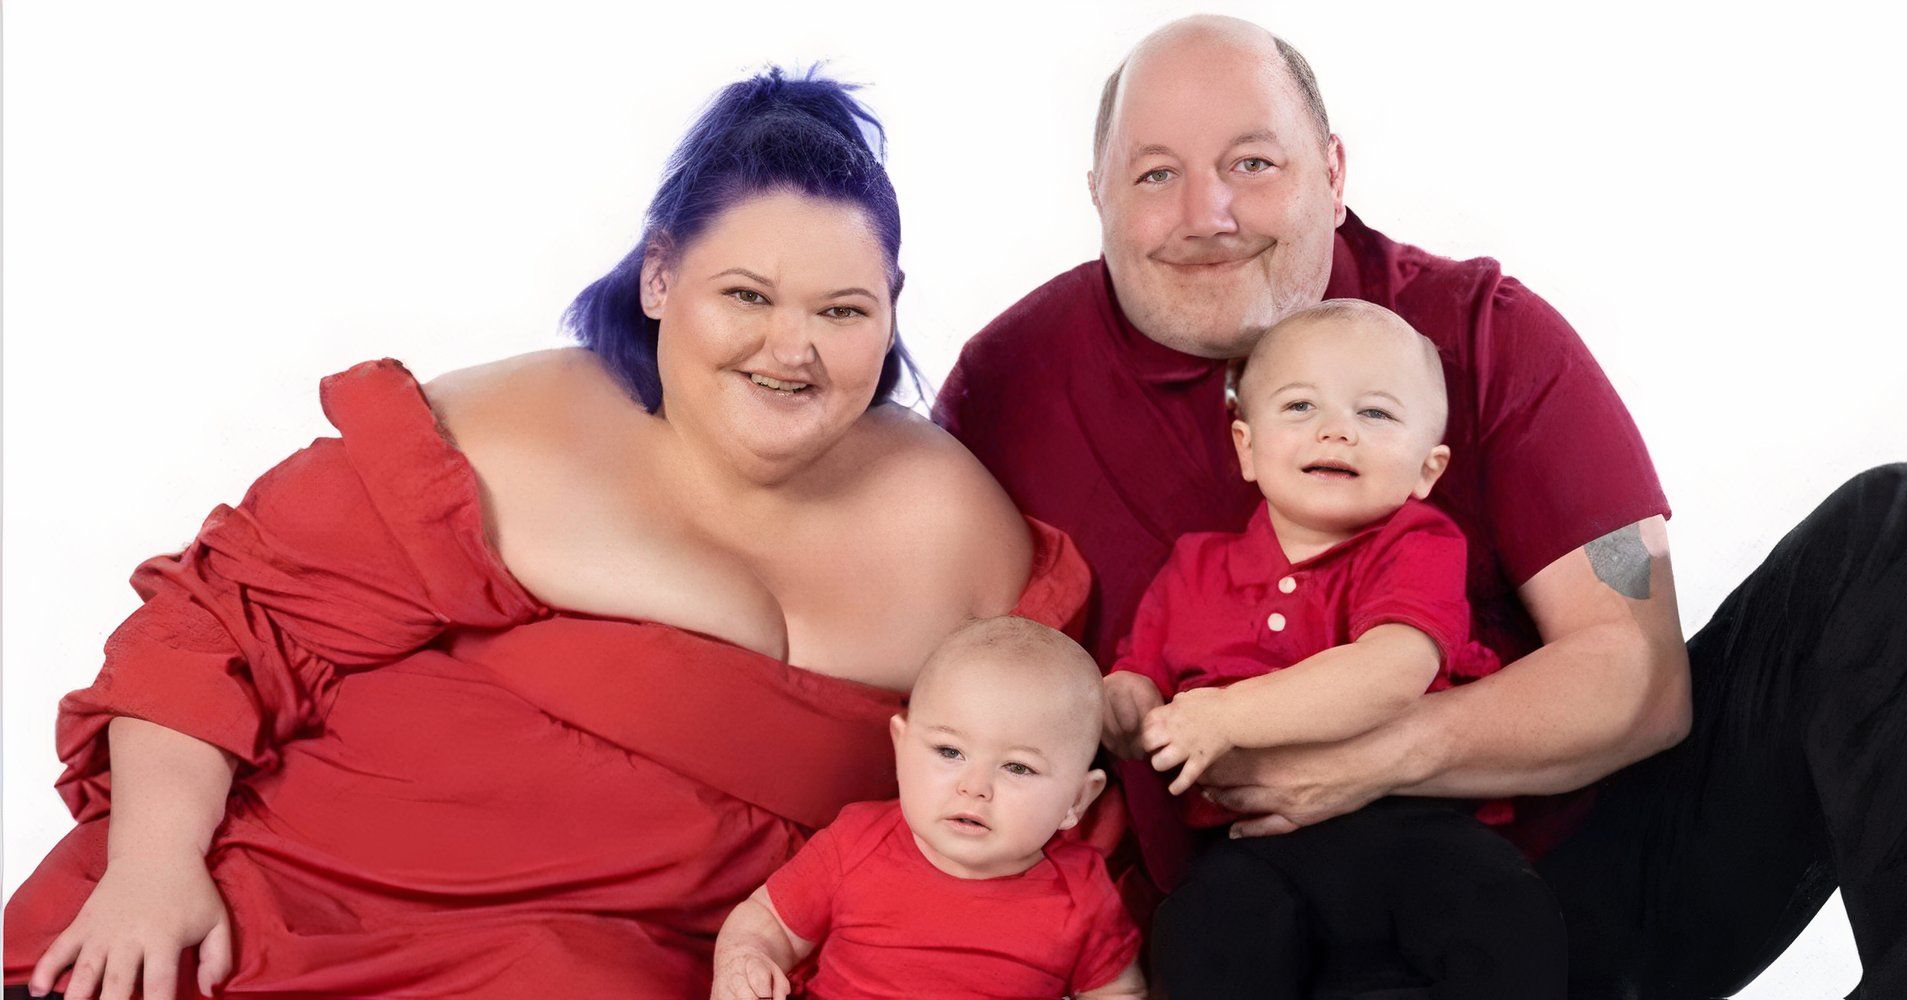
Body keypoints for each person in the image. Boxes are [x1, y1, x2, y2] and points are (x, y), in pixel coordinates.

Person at [934, 14, 1907, 998]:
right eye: (1154, 173)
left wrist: (1372, 755)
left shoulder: (1481, 332)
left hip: (1574, 879)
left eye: (1250, 164)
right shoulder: (1008, 385)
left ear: (1333, 172)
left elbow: (1638, 677)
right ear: (1096, 194)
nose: (1204, 213)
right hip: (1265, 933)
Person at [4, 69, 1093, 1000]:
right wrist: (152, 865)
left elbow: (1044, 805)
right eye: (746, 294)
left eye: (842, 311)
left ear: (894, 305)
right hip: (306, 904)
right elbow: (213, 630)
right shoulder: (489, 438)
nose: (790, 348)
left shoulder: (974, 545)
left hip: (627, 968)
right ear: (660, 276)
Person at [1101, 300, 1563, 998]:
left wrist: (1225, 717)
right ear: (1246, 448)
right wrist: (1125, 710)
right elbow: (1138, 676)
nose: (1336, 430)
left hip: (1411, 826)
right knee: (1203, 932)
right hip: (1253, 846)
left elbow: (1392, 671)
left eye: (1375, 415)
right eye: (1299, 407)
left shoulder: (1417, 545)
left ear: (1425, 470)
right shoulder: (1193, 567)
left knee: (1505, 912)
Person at [711, 617, 1144, 1000]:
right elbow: (766, 920)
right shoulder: (855, 844)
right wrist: (744, 958)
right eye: (949, 751)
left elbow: (1119, 990)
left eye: (1017, 767)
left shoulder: (1082, 894)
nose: (974, 788)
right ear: (901, 750)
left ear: (1076, 801)